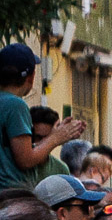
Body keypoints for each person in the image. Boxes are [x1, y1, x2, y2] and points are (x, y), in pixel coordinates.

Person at [0, 44, 86, 191]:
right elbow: (25, 160)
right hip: (11, 194)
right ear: (31, 76)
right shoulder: (15, 105)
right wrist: (55, 138)